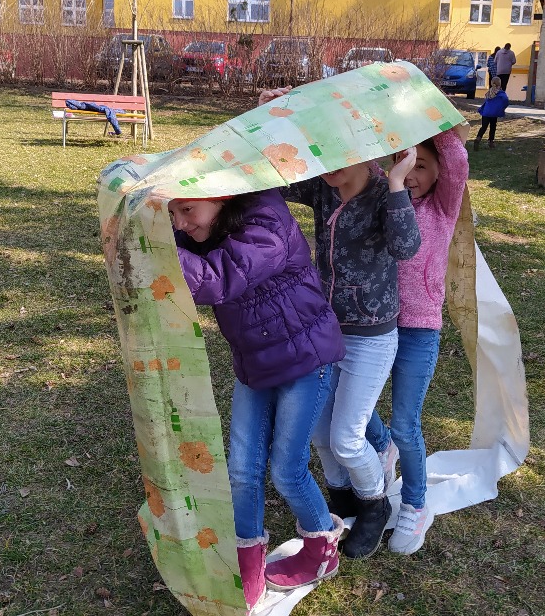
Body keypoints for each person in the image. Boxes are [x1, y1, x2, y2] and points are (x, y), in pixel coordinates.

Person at [171, 191, 346, 613]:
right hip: (255, 364)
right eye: (170, 214)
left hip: (306, 362)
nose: (180, 224)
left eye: (187, 209)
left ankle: (322, 552)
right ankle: (246, 562)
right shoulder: (208, 226)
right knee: (241, 470)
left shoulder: (267, 223)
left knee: (287, 471)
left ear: (222, 195)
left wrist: (154, 249)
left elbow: (216, 279)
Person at [278, 148, 421, 560]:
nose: (329, 164)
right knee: (321, 434)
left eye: (340, 152)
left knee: (346, 439)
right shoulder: (324, 187)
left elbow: (406, 247)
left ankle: (375, 505)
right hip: (324, 332)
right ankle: (342, 499)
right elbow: (267, 182)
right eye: (323, 152)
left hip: (371, 338)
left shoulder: (383, 193)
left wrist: (397, 182)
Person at [365, 126, 469, 554]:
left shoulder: (443, 205)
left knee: (406, 425)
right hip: (374, 326)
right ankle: (381, 444)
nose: (409, 173)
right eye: (402, 162)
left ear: (439, 172)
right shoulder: (384, 197)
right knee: (350, 406)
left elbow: (456, 158)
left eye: (420, 165)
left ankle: (415, 504)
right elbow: (363, 160)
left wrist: (429, 115)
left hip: (419, 330)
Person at [473, 76, 510, 149]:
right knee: (493, 127)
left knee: (484, 127)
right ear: (500, 84)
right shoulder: (500, 93)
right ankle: (491, 142)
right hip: (494, 113)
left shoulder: (489, 92)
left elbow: (486, 102)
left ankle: (478, 138)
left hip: (486, 113)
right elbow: (506, 100)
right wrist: (502, 107)